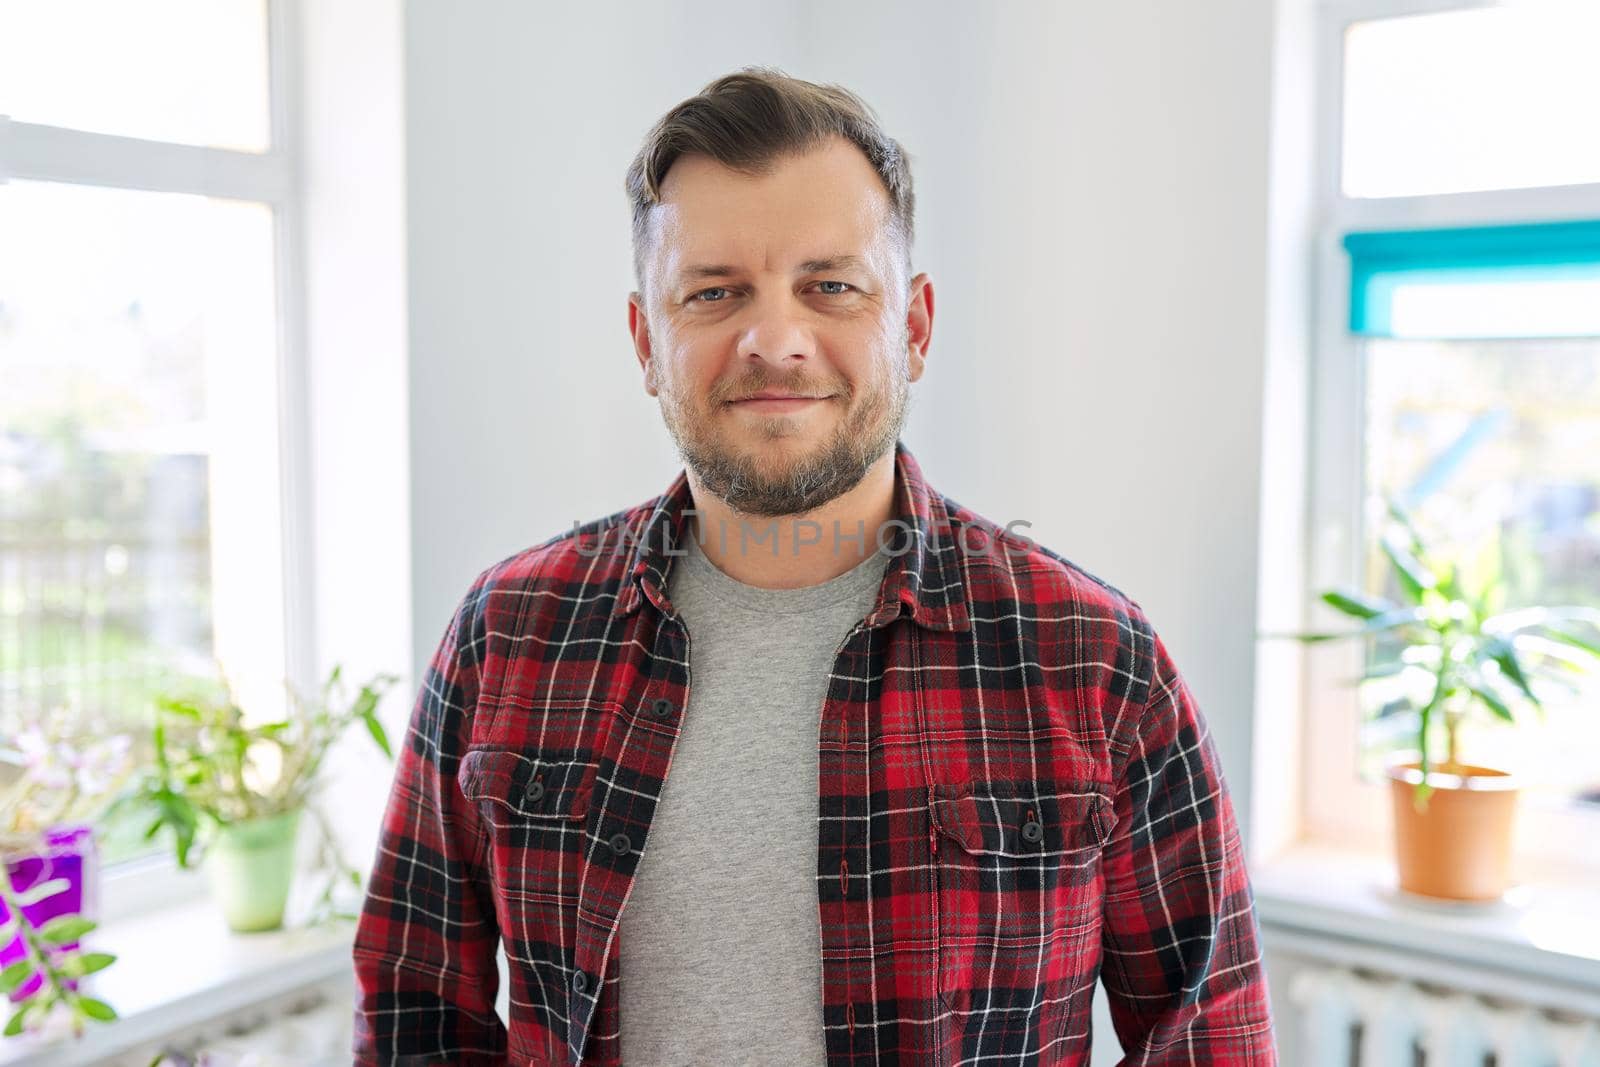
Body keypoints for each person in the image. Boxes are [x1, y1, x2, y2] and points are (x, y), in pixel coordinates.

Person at [352, 66, 1276, 1066]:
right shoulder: (507, 635)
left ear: (913, 328)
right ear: (646, 342)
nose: (775, 340)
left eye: (829, 286)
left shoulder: (1096, 660)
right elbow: (415, 1018)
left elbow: (1209, 1036)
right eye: (714, 293)